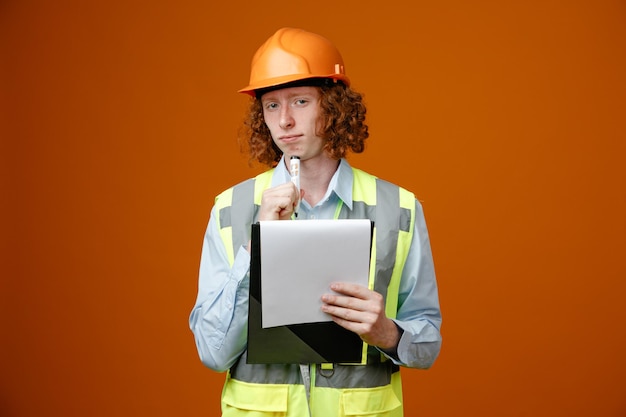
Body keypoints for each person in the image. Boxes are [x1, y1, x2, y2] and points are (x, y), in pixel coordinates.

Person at [189, 27, 442, 417]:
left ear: (335, 106)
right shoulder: (230, 209)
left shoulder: (399, 208)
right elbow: (213, 351)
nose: (285, 121)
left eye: (301, 101)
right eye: (271, 106)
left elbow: (427, 344)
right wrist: (258, 247)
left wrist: (386, 333)